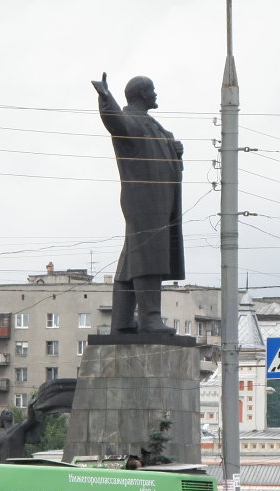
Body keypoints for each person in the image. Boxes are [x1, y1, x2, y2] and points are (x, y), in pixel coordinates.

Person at [92, 72, 184, 334]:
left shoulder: (151, 124)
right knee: (148, 255)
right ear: (143, 94)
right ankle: (150, 317)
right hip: (144, 202)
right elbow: (115, 122)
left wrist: (174, 151)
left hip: (157, 202)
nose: (156, 94)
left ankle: (122, 321)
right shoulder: (131, 121)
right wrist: (106, 98)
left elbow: (163, 153)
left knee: (132, 258)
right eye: (152, 90)